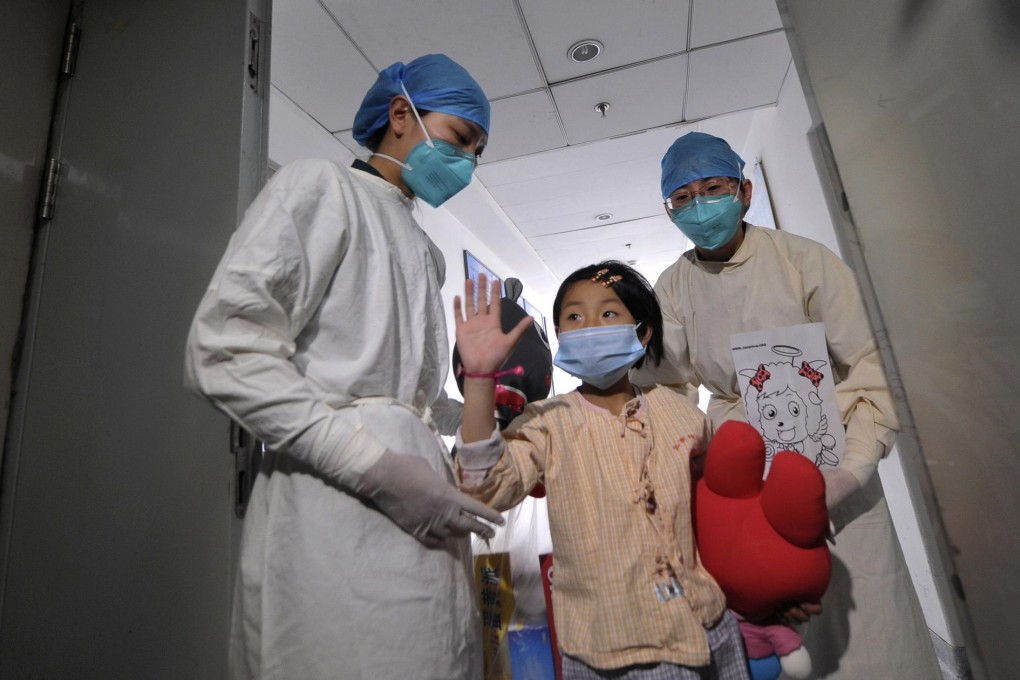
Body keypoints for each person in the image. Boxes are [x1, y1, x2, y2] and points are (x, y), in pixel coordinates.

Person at [184, 53, 504, 680]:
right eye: (460, 139)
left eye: (478, 151)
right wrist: (376, 469)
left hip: (423, 516)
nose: (468, 162)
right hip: (335, 510)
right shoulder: (322, 187)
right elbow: (224, 348)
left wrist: (477, 392)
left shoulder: (427, 251)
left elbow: (405, 398)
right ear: (400, 113)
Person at [635, 131, 940, 678]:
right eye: (682, 196)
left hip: (830, 453)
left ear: (745, 192)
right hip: (740, 474)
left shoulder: (802, 261)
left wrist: (849, 472)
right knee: (769, 617)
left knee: (867, 618)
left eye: (713, 188)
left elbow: (872, 363)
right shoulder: (672, 288)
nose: (699, 205)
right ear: (669, 209)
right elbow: (666, 386)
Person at [452, 263, 750, 680]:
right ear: (560, 337)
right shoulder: (546, 422)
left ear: (643, 333)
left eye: (608, 313)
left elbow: (720, 521)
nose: (589, 325)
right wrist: (480, 379)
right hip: (610, 652)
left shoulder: (683, 417)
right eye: (574, 317)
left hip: (710, 631)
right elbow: (482, 490)